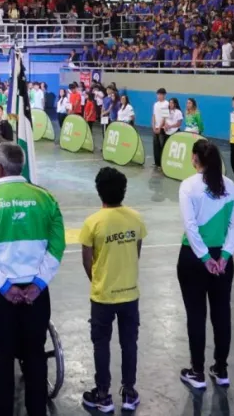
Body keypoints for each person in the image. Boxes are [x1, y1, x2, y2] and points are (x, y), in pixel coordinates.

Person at [0, 142, 65, 416]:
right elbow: (57, 248)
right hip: (36, 296)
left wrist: (4, 287)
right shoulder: (46, 198)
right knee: (35, 355)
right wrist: (37, 285)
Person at [79, 167, 146, 413]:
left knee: (101, 344)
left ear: (99, 192)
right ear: (124, 191)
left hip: (102, 296)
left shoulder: (92, 223)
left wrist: (98, 279)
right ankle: (129, 392)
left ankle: (103, 394)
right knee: (130, 344)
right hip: (130, 294)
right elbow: (136, 251)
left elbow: (87, 260)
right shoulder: (136, 218)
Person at [177, 139, 234, 389]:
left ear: (195, 159)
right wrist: (224, 257)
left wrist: (205, 258)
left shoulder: (188, 186)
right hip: (223, 261)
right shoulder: (230, 187)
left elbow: (190, 226)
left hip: (194, 259)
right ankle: (221, 369)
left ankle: (197, 371)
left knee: (196, 315)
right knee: (221, 312)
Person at [151, 88, 168, 168]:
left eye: (160, 94)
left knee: (162, 146)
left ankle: (162, 163)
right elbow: (154, 116)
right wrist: (154, 126)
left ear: (164, 95)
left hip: (162, 128)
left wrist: (160, 127)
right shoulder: (155, 104)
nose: (159, 96)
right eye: (158, 94)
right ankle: (157, 162)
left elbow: (165, 117)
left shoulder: (166, 104)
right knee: (155, 145)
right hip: (156, 127)